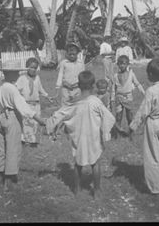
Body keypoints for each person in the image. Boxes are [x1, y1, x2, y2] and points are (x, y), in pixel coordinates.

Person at [46, 71, 115, 199]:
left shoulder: (74, 102)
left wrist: (49, 123)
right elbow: (109, 117)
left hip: (78, 137)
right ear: (93, 85)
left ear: (78, 84)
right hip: (93, 137)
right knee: (95, 163)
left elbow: (60, 114)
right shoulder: (95, 101)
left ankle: (77, 189)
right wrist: (105, 132)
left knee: (78, 163)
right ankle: (97, 190)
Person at [0, 60, 46, 191]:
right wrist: (39, 119)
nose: (18, 75)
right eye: (16, 72)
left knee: (1, 148)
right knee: (13, 148)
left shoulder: (1, 86)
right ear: (11, 74)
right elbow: (24, 108)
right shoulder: (13, 90)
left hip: (1, 117)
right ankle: (8, 180)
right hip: (12, 117)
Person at [129, 58, 159, 194]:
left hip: (154, 123)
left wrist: (133, 126)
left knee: (152, 156)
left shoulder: (151, 91)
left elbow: (143, 111)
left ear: (151, 74)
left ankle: (155, 188)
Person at [16, 57, 54, 147]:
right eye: (31, 67)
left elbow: (41, 89)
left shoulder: (37, 78)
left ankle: (33, 141)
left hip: (36, 104)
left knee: (35, 123)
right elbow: (16, 90)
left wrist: (47, 96)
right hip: (26, 104)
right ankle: (25, 141)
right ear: (26, 67)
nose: (33, 70)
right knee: (26, 123)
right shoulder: (22, 78)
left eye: (35, 68)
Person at [111, 55, 145, 137]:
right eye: (120, 64)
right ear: (118, 65)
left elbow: (137, 84)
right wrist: (112, 98)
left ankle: (131, 132)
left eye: (124, 64)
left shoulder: (131, 74)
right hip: (119, 98)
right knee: (118, 116)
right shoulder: (115, 76)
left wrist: (144, 93)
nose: (122, 65)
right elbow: (113, 88)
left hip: (128, 98)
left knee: (129, 116)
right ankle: (117, 133)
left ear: (127, 65)